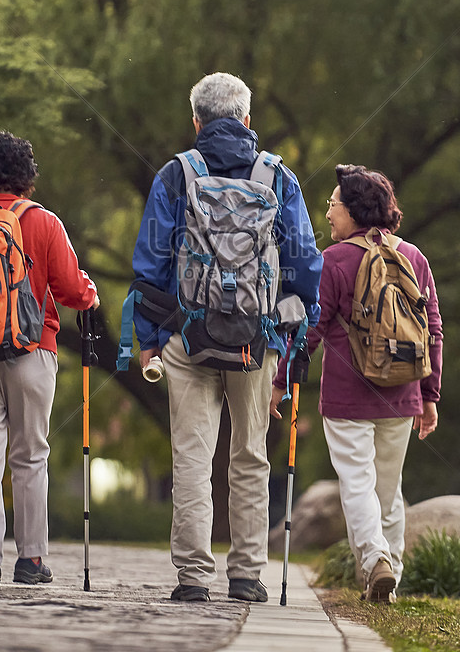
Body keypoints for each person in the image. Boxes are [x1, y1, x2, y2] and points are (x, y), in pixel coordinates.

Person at [130, 72, 322, 603]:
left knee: (190, 457)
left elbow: (151, 265)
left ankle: (193, 578)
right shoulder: (278, 178)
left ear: (196, 121)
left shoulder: (176, 174)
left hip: (187, 338)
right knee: (250, 457)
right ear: (247, 120)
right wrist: (289, 345)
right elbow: (306, 270)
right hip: (256, 342)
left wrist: (148, 337)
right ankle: (246, 576)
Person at [0, 130, 98, 591]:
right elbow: (70, 291)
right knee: (30, 457)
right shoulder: (42, 222)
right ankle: (31, 560)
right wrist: (90, 291)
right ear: (26, 175)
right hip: (32, 351)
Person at [272, 164, 442, 604]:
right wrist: (429, 394)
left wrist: (282, 380)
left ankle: (374, 561)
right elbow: (433, 329)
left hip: (349, 394)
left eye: (333, 204)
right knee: (388, 488)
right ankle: (390, 576)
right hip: (403, 394)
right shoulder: (414, 257)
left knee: (357, 483)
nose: (328, 212)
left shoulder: (334, 261)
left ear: (354, 211)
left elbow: (310, 329)